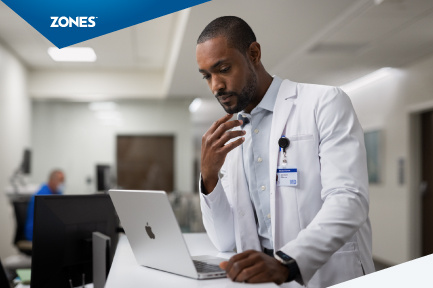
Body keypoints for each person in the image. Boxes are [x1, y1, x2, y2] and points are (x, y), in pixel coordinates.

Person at [196, 16, 374, 288]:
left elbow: (348, 199)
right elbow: (225, 240)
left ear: (253, 54)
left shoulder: (323, 103)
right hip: (262, 278)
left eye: (223, 69)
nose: (215, 86)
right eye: (207, 75)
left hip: (325, 273)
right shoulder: (233, 135)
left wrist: (288, 262)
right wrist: (209, 177)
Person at [24, 169, 65, 241]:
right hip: (35, 232)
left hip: (47, 230)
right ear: (52, 180)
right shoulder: (41, 195)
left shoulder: (57, 193)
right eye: (60, 181)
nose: (62, 184)